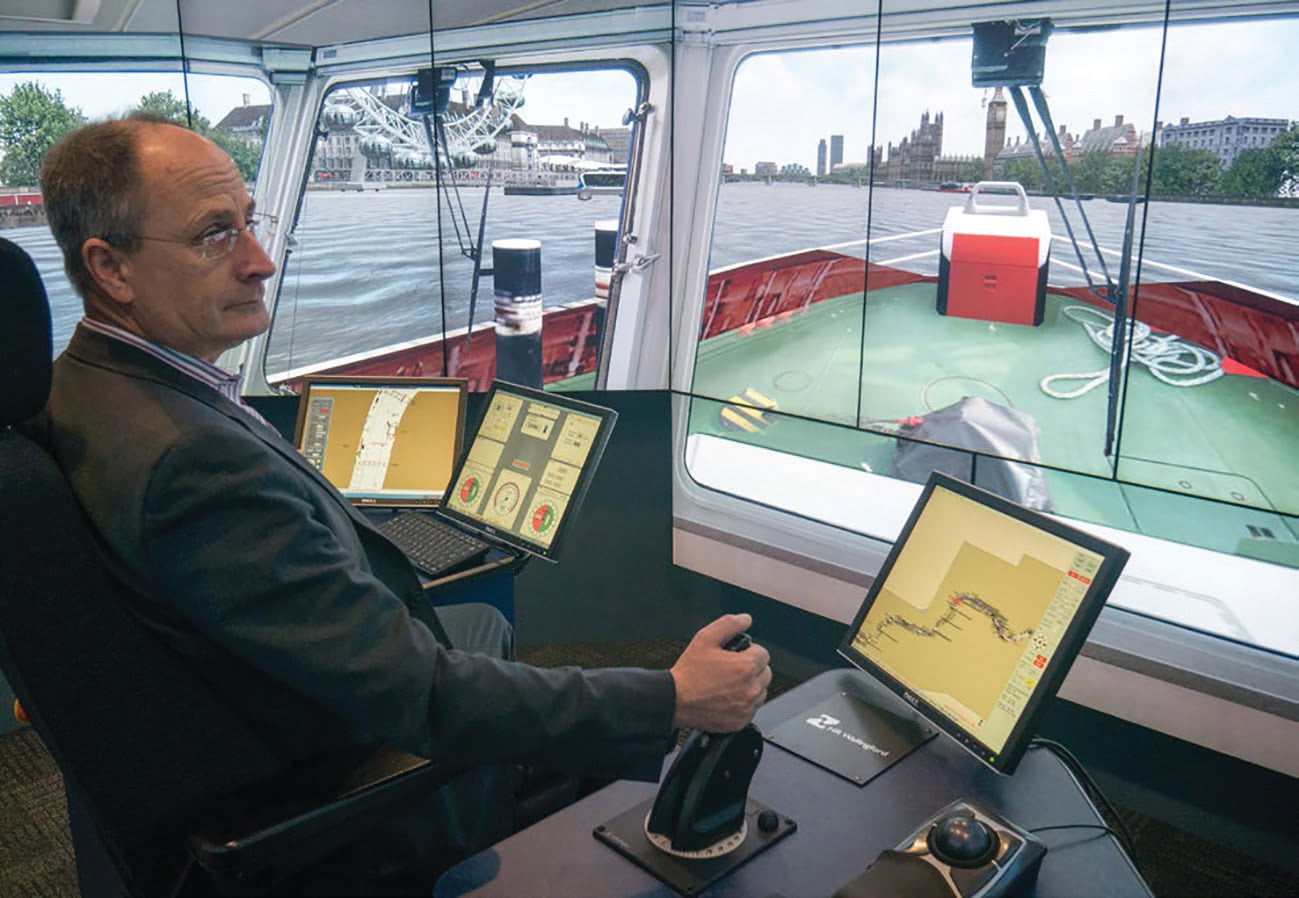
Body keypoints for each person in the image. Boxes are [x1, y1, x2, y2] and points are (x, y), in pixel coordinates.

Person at [35, 116, 771, 889]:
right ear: (110, 268)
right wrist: (670, 697)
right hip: (323, 786)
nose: (261, 261)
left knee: (480, 623)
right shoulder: (192, 463)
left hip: (226, 707)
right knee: (540, 710)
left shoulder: (79, 387)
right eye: (215, 236)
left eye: (251, 223)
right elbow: (424, 696)